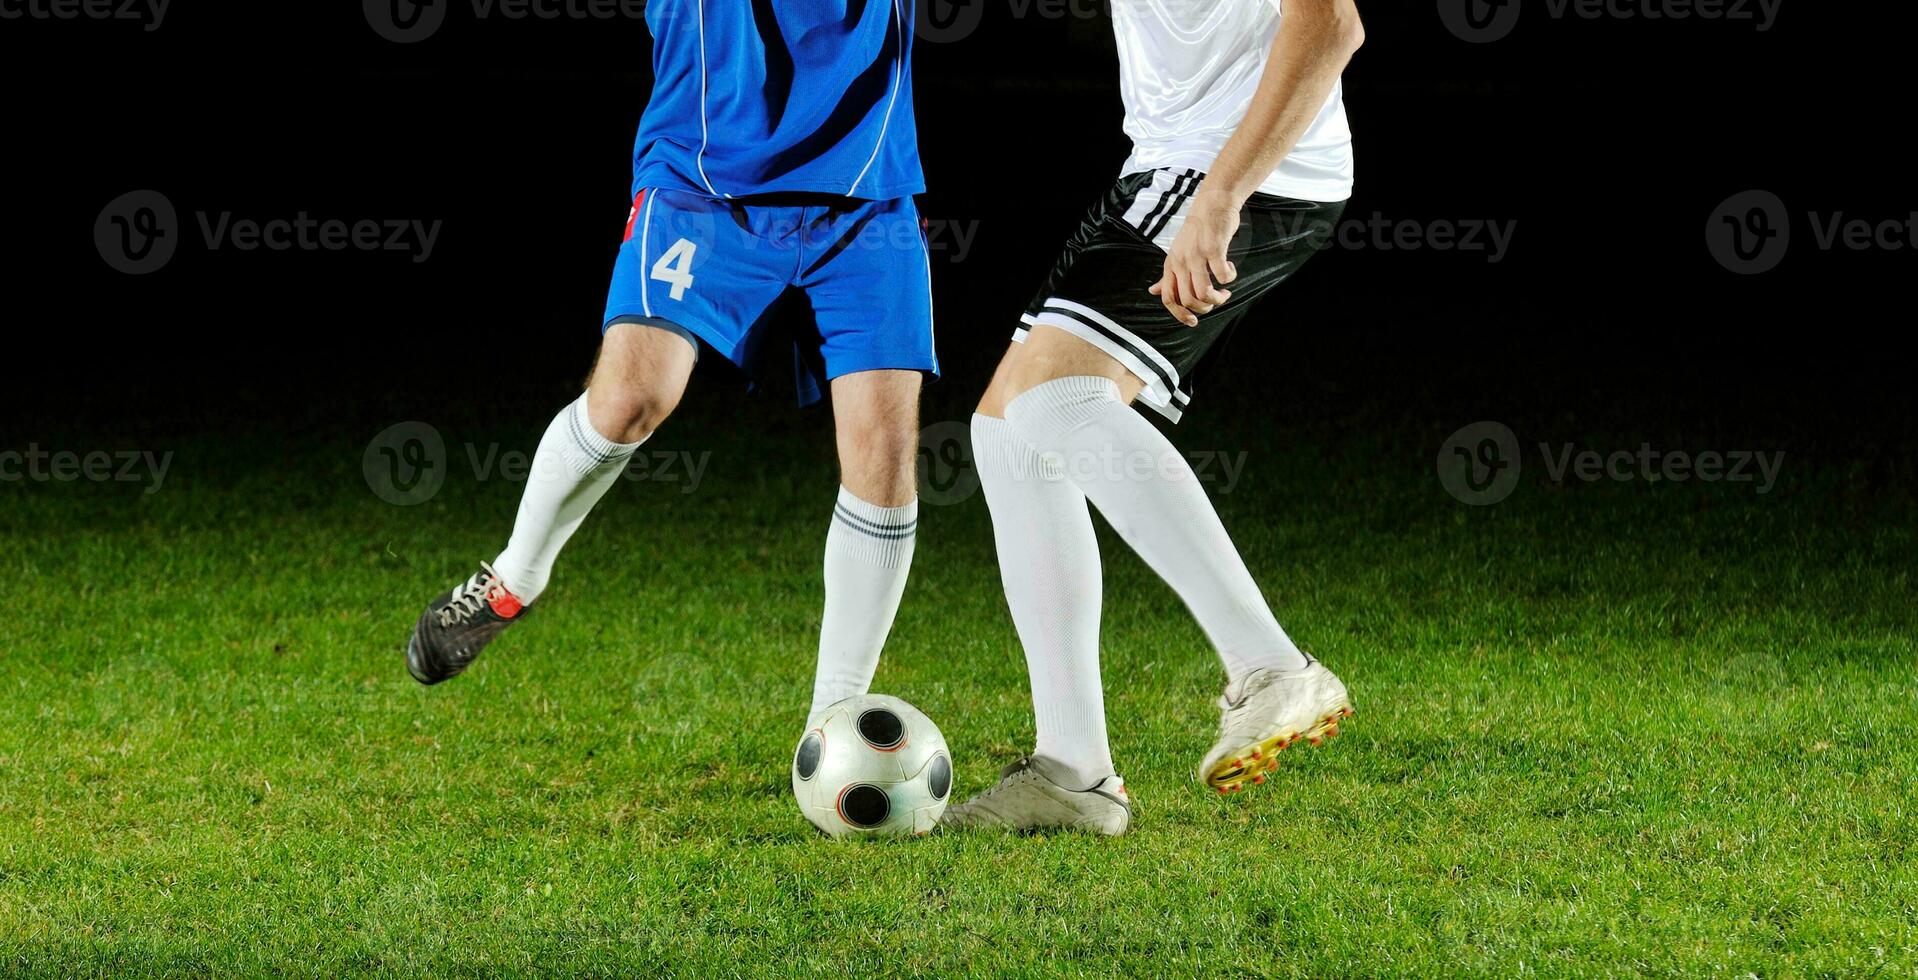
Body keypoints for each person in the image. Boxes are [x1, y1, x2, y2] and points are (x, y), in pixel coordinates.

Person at [404, 1, 936, 735]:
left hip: (864, 192)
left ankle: (833, 723)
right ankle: (514, 577)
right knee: (629, 396)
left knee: (884, 452)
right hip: (701, 182)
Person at [943, 0, 1365, 835]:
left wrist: (1220, 196)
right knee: (1007, 433)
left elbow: (1331, 23)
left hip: (1232, 169)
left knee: (1056, 401)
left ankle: (1272, 665)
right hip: (1170, 166)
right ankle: (1073, 772)